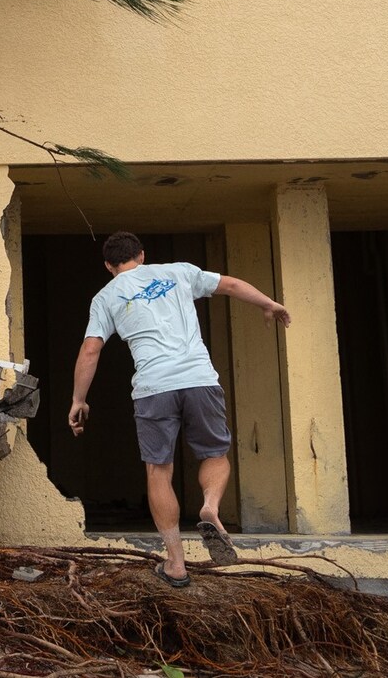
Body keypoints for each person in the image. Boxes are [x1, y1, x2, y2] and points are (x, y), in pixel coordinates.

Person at [67, 231, 290, 585]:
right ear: (141, 255)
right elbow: (230, 284)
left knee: (159, 470)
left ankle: (175, 562)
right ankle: (210, 506)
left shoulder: (105, 297)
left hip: (153, 388)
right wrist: (268, 303)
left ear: (109, 265)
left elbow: (91, 350)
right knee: (214, 454)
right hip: (200, 379)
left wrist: (79, 400)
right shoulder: (178, 272)